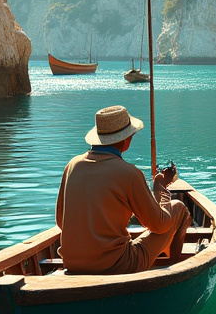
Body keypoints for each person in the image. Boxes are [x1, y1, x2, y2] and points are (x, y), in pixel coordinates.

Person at [55, 104, 191, 274]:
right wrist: (160, 187)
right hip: (117, 265)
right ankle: (171, 269)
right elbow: (160, 225)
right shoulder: (130, 173)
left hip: (72, 264)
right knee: (179, 209)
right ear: (126, 140)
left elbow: (61, 221)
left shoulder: (72, 165)